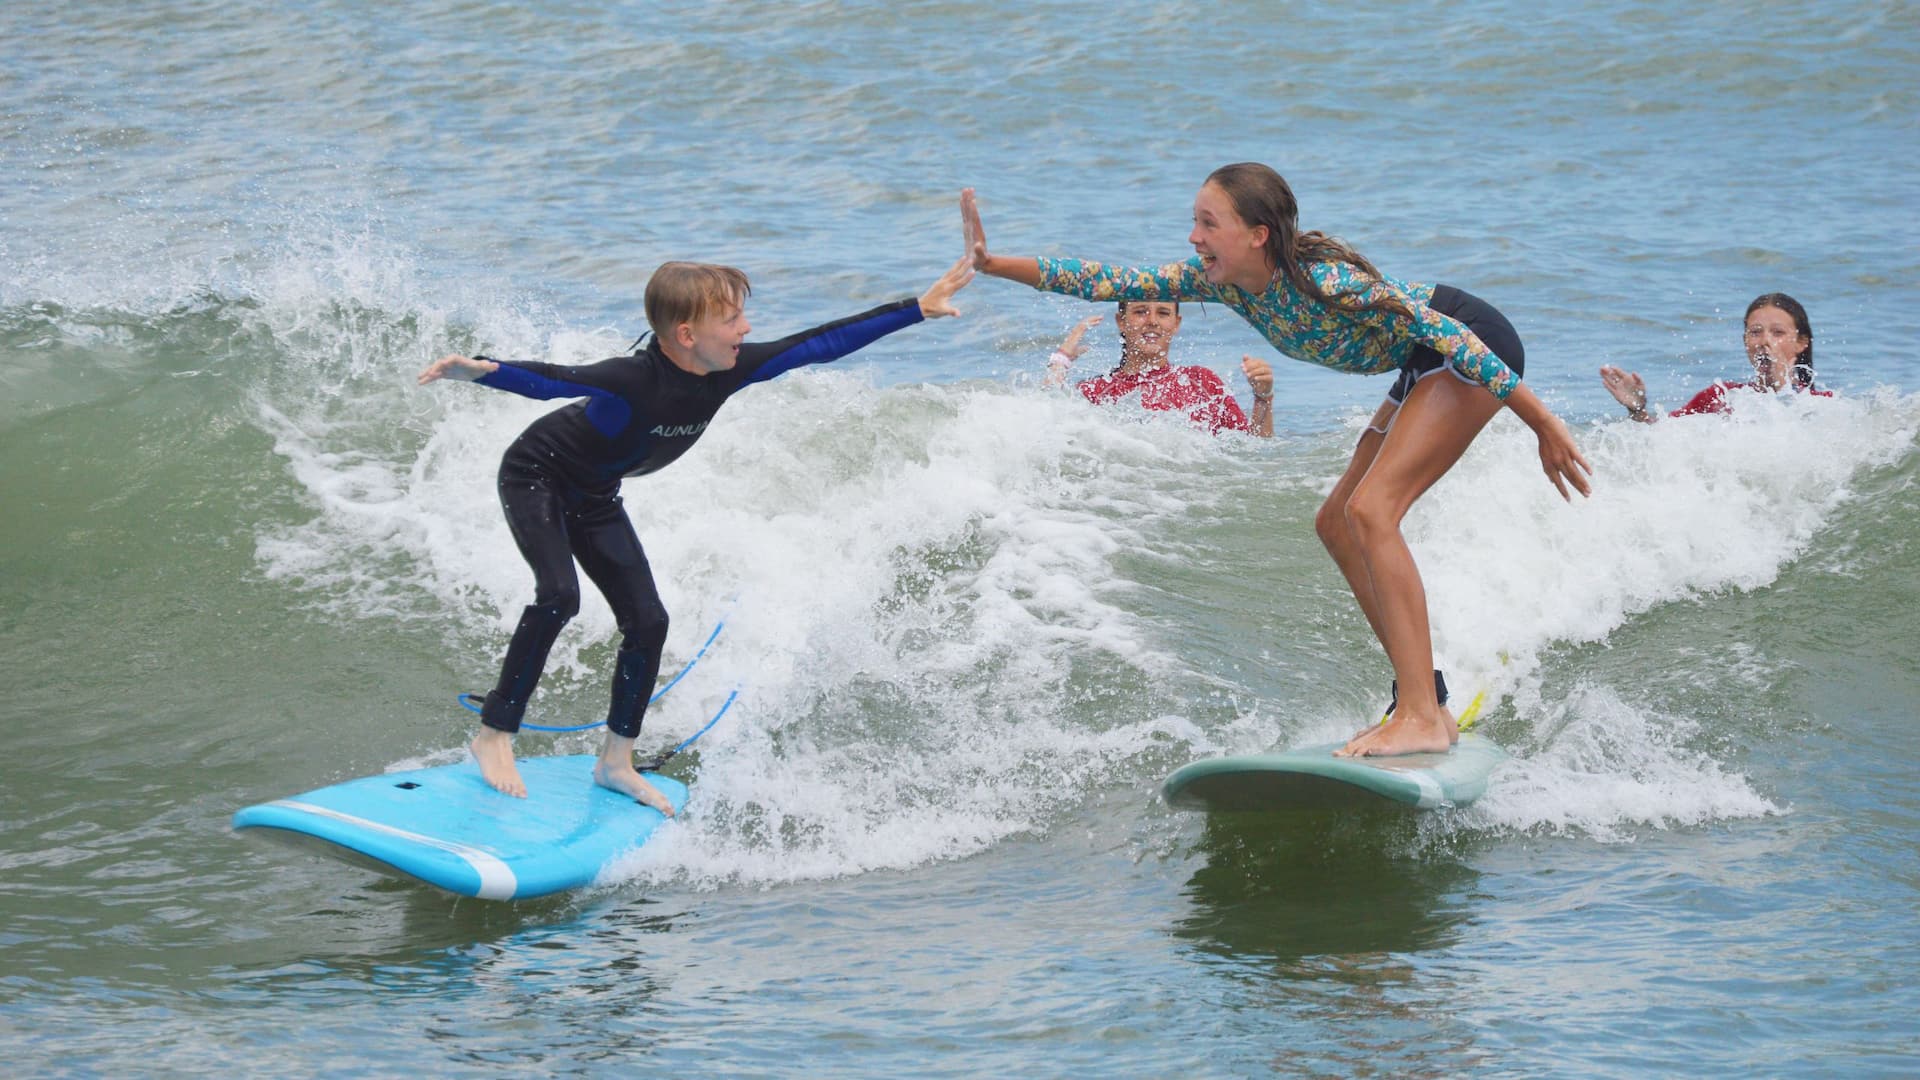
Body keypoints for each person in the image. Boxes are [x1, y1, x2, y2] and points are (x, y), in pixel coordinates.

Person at [961, 164, 1592, 757]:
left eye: (1209, 223)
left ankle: (1423, 717)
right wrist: (992, 264)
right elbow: (1105, 280)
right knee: (1336, 522)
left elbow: (1453, 335)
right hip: (1421, 362)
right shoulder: (1230, 288)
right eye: (1195, 222)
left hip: (1467, 346)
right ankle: (1425, 699)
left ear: (1257, 235)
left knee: (1373, 511)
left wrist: (1542, 423)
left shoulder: (1323, 281)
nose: (1194, 236)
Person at [417, 257, 975, 809]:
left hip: (595, 494)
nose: (746, 330)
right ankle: (495, 734)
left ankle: (615, 762)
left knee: (649, 620)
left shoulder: (729, 369)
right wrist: (482, 369)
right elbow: (554, 380)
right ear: (687, 334)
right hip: (536, 475)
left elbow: (819, 343)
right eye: (732, 320)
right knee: (560, 595)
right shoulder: (633, 380)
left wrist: (916, 311)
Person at [1045, 301, 1275, 437]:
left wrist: (1262, 397)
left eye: (1163, 313)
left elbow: (1253, 449)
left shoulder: (1201, 381)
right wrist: (1061, 360)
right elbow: (1044, 423)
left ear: (1176, 323)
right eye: (1140, 311)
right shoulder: (1095, 391)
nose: (1152, 321)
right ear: (1121, 321)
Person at [1600, 293, 1828, 421]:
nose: (1764, 342)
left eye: (1777, 333)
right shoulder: (1720, 396)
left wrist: (1782, 384)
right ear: (1745, 341)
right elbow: (1662, 437)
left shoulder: (1823, 404)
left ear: (1802, 342)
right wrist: (1637, 409)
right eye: (1755, 332)